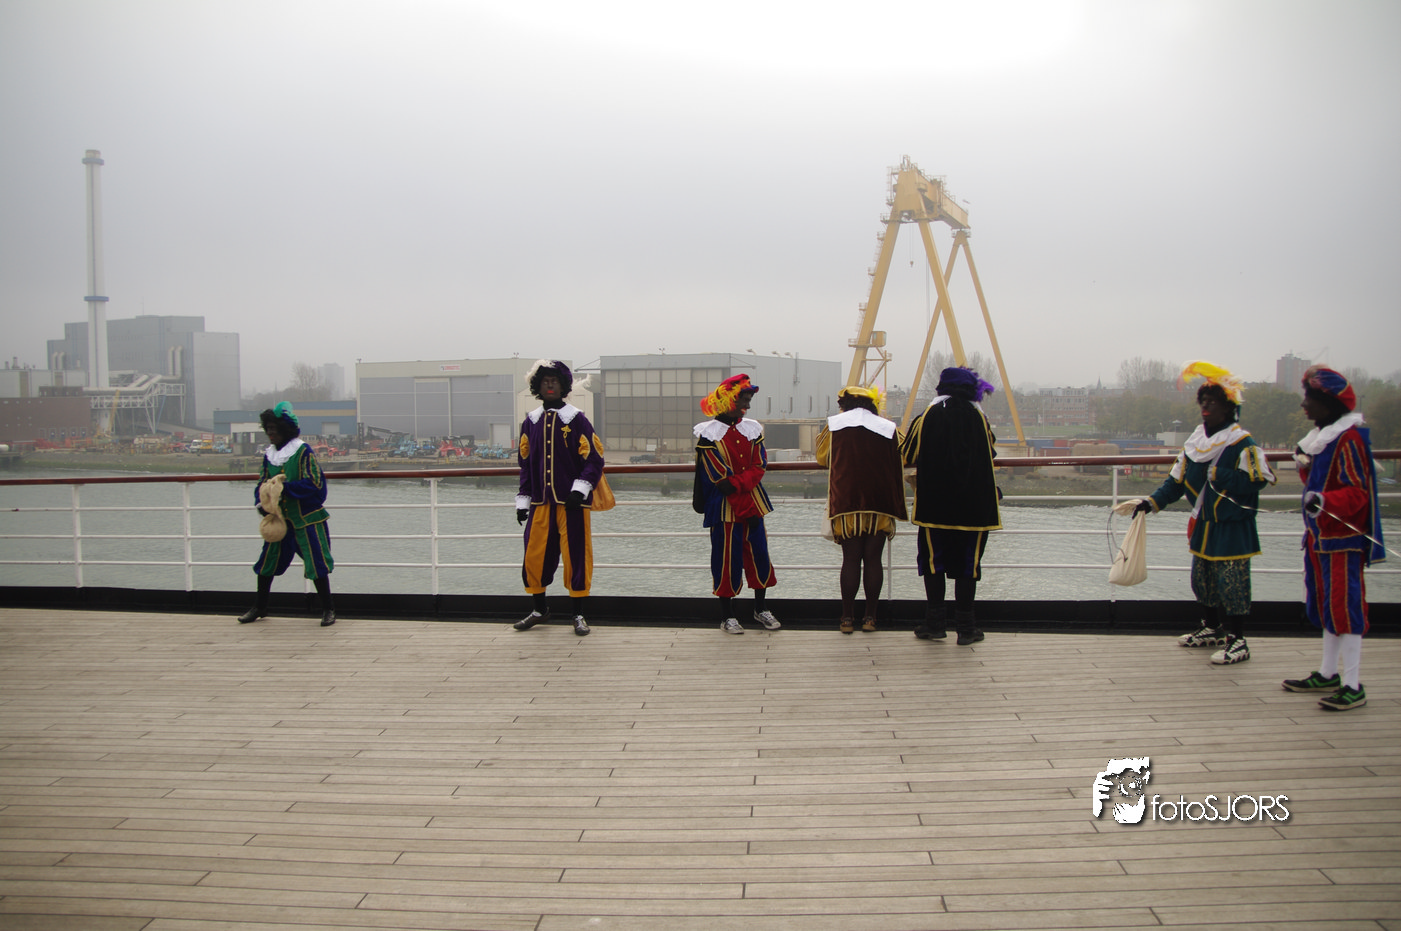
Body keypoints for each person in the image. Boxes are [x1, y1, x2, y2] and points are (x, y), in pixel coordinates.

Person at [1133, 361, 1275, 665]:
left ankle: (1238, 640)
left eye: (1213, 402)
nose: (1206, 406)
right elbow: (1175, 482)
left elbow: (1258, 480)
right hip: (1205, 526)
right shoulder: (1194, 445)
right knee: (1203, 580)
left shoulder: (1242, 444)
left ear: (1229, 408)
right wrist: (1151, 503)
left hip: (1233, 527)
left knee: (1233, 584)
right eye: (1204, 401)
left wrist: (1223, 476)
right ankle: (1212, 627)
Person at [1281, 366, 1385, 711]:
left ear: (1328, 402)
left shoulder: (1348, 439)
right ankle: (1328, 673)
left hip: (1343, 540)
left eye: (1309, 398)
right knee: (1326, 605)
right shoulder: (1324, 439)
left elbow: (1357, 492)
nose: (1304, 405)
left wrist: (1325, 500)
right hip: (1319, 538)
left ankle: (1353, 685)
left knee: (1346, 607)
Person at [901, 366, 1001, 645]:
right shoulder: (979, 417)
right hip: (976, 506)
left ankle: (935, 624)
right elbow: (991, 450)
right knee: (969, 566)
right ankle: (967, 628)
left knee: (934, 563)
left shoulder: (928, 415)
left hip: (935, 505)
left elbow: (908, 453)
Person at [514, 360, 603, 636]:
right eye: (545, 381)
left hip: (572, 504)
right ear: (537, 387)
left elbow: (594, 458)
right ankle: (539, 609)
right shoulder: (530, 422)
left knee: (576, 557)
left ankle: (578, 614)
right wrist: (523, 499)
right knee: (535, 555)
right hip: (540, 502)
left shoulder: (577, 419)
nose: (550, 385)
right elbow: (526, 464)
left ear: (563, 386)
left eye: (554, 380)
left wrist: (580, 489)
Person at [815, 384, 908, 633]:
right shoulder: (888, 427)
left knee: (851, 560)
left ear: (845, 404)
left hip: (847, 502)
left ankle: (847, 618)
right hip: (880, 503)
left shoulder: (835, 426)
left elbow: (822, 457)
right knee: (874, 560)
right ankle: (870, 618)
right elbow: (905, 454)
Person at [693, 373, 781, 634]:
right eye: (744, 400)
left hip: (753, 504)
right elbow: (720, 480)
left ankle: (760, 608)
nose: (747, 406)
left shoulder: (752, 429)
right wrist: (746, 506)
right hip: (725, 508)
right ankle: (727, 615)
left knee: (759, 556)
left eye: (749, 400)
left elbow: (760, 465)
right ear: (727, 400)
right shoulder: (708, 435)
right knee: (726, 560)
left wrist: (746, 498)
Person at [239, 402, 336, 627]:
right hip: (280, 520)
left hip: (306, 519)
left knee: (316, 564)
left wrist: (283, 489)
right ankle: (260, 606)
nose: (270, 433)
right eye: (268, 429)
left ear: (285, 429)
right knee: (267, 562)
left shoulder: (303, 451)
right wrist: (261, 501)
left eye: (274, 429)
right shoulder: (269, 455)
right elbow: (262, 481)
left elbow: (314, 482)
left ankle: (328, 609)